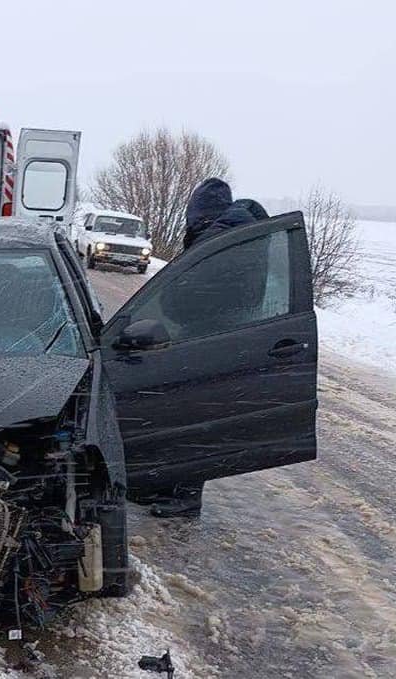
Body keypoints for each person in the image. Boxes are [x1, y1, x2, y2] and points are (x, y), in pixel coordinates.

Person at [146, 178, 269, 518]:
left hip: (210, 342)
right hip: (220, 339)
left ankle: (184, 496)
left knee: (192, 418)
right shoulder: (237, 237)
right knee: (187, 415)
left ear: (200, 213)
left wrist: (174, 300)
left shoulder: (217, 242)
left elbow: (183, 297)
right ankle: (171, 486)